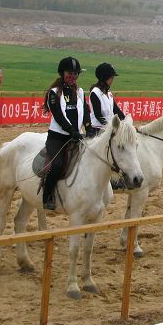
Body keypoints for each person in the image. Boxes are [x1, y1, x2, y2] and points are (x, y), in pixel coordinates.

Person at [41, 56, 94, 210]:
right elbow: (59, 116)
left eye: (75, 74)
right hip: (57, 138)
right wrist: (72, 131)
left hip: (76, 136)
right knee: (56, 165)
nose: (73, 77)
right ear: (62, 73)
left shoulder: (80, 91)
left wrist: (89, 128)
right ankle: (47, 196)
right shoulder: (54, 93)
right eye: (69, 73)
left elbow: (85, 112)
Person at [89, 62, 125, 132]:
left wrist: (125, 121)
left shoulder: (109, 93)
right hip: (98, 129)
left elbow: (116, 110)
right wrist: (109, 126)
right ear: (104, 78)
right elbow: (98, 115)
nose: (112, 79)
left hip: (109, 129)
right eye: (111, 77)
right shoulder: (95, 93)